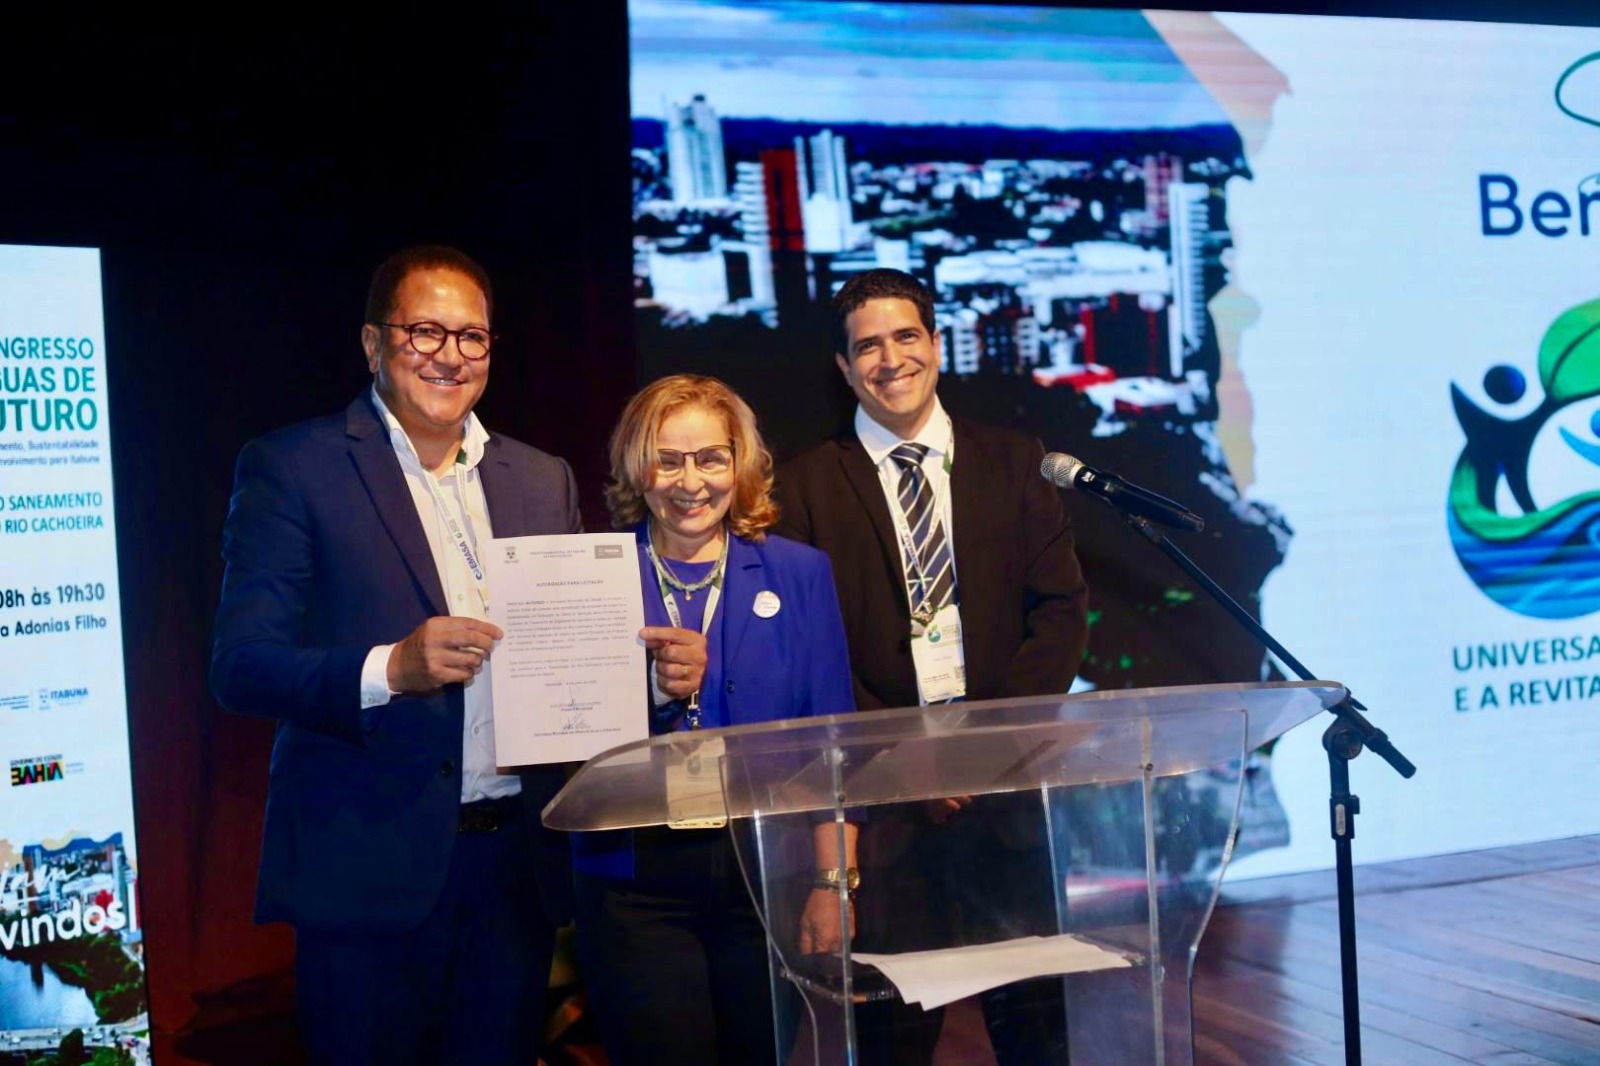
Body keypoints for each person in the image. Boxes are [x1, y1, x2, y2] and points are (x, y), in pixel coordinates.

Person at [211, 245, 580, 1065]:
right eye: (425, 332)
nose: (450, 355)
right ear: (374, 345)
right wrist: (389, 670)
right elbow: (240, 664)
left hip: (513, 870)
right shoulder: (293, 467)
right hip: (366, 870)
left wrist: (642, 673)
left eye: (472, 337)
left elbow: (567, 654)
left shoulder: (540, 477)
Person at [772, 268, 1091, 1065]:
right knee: (893, 1039)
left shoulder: (1016, 462)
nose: (890, 359)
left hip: (1005, 798)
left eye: (905, 336)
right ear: (844, 369)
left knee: (1036, 1035)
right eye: (867, 346)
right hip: (884, 812)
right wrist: (910, 760)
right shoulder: (806, 484)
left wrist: (983, 748)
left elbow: (1058, 614)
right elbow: (809, 651)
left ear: (937, 346)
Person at [572, 374, 857, 1066]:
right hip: (634, 888)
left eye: (710, 458)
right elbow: (566, 732)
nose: (689, 480)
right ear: (637, 468)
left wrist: (833, 884)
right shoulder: (587, 577)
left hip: (766, 879)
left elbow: (832, 743)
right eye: (667, 459)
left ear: (742, 465)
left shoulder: (799, 574)